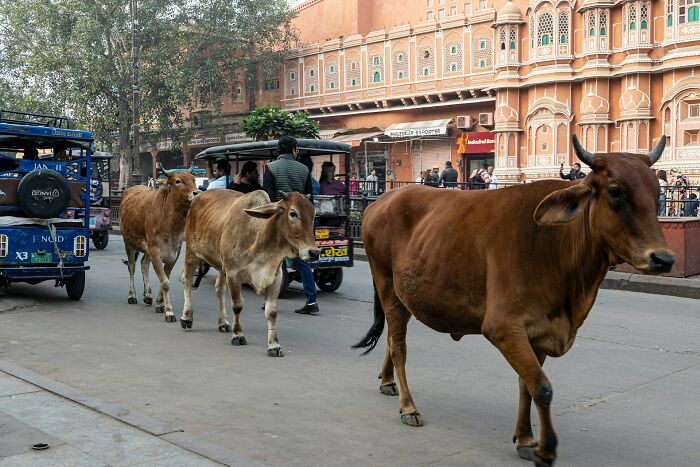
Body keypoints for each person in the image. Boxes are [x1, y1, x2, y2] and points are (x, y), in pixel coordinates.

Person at [263, 136, 318, 315]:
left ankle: (270, 300)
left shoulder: (270, 168)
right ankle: (311, 300)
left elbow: (269, 198)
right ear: (294, 150)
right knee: (302, 261)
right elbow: (310, 199)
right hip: (298, 225)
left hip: (279, 223)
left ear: (279, 150)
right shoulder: (303, 169)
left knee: (273, 260)